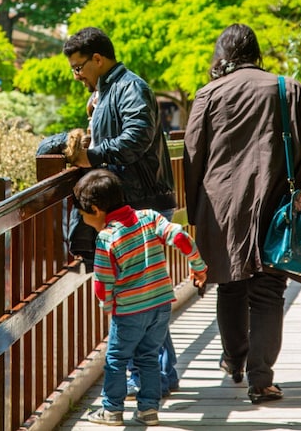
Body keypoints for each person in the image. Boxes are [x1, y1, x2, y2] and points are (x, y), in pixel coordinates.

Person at [183, 23, 301, 405]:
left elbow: (192, 157)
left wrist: (194, 214)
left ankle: (234, 361)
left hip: (222, 207)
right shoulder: (288, 89)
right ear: (256, 53)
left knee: (230, 283)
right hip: (275, 200)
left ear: (222, 55)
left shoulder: (208, 94)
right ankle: (261, 380)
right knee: (268, 290)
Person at [63, 26, 181, 396]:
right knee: (144, 297)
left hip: (142, 201)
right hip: (134, 200)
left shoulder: (130, 87)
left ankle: (150, 377)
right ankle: (160, 374)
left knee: (137, 300)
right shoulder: (107, 91)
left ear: (98, 59)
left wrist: (91, 155)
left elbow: (136, 138)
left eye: (79, 67)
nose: (76, 75)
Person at [74, 169, 207, 426]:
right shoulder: (149, 217)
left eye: (82, 214)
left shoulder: (106, 237)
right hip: (161, 305)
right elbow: (181, 236)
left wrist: (107, 304)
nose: (83, 219)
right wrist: (198, 266)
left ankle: (111, 409)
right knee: (148, 357)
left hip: (129, 310)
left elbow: (102, 281)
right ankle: (148, 410)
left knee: (116, 359)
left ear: (96, 209)